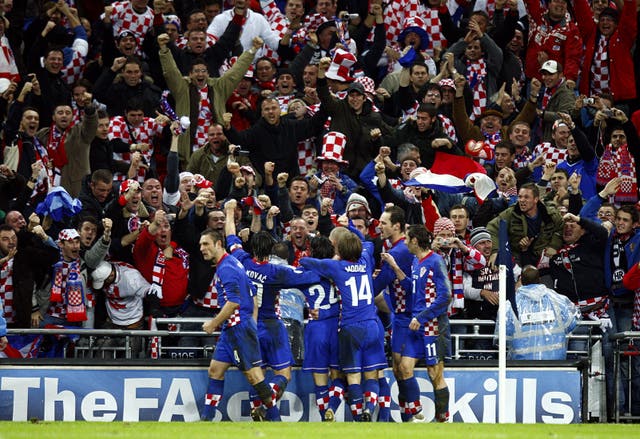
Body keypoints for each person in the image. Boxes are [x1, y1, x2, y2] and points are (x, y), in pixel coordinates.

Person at [300, 227, 386, 421]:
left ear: (338, 250)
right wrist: (351, 228)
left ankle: (356, 417)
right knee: (371, 374)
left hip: (350, 327)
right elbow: (369, 244)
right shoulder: (365, 261)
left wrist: (335, 259)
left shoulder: (335, 267)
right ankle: (369, 409)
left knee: (353, 377)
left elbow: (305, 261)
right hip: (372, 325)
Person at [200, 228, 281, 422]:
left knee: (255, 377)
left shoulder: (226, 268)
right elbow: (252, 294)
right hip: (233, 329)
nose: (202, 249)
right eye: (201, 245)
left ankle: (276, 420)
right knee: (215, 370)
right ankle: (206, 419)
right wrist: (251, 321)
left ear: (218, 244)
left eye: (206, 244)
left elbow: (233, 302)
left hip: (238, 329)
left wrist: (213, 323)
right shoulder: (231, 262)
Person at [382, 224, 452, 422]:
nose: (404, 242)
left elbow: (445, 296)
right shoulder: (415, 262)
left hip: (433, 326)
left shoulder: (436, 262)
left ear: (414, 241)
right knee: (404, 367)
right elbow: (413, 289)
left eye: (406, 239)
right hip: (416, 325)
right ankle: (414, 410)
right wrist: (395, 268)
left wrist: (421, 317)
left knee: (434, 374)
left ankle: (442, 418)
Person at [503, 265, 579, 360]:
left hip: (522, 364)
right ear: (539, 279)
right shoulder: (558, 299)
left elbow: (504, 336)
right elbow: (571, 324)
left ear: (521, 280)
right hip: (555, 362)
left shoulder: (509, 305)